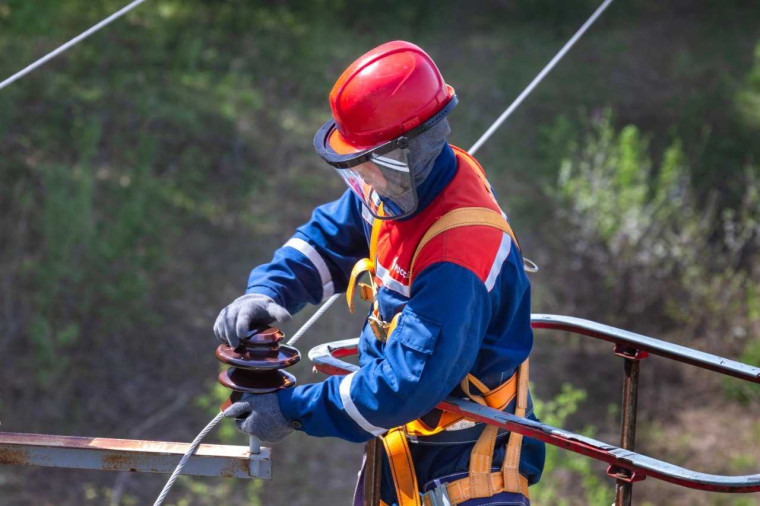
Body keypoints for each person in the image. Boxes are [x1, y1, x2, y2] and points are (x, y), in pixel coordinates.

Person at [214, 40, 545, 506]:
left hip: (471, 474)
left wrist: (292, 409)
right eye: (355, 165)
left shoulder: (457, 254)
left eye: (368, 164)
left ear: (408, 149)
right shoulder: (395, 186)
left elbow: (405, 384)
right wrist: (269, 291)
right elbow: (330, 237)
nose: (362, 179)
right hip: (404, 448)